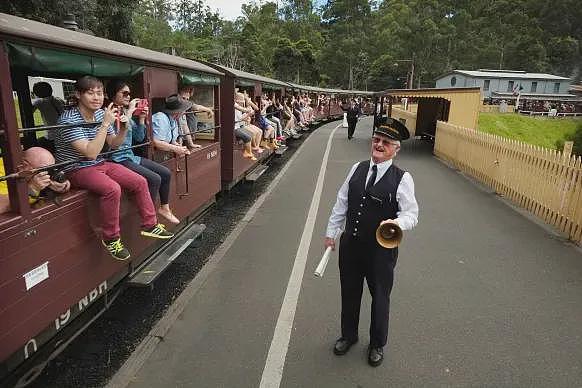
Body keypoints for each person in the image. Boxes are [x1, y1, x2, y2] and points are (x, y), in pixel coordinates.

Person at [324, 117, 419, 367]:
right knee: (350, 292)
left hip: (381, 251)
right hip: (351, 246)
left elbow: (412, 214)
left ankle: (377, 344)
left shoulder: (402, 178)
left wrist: (397, 224)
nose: (379, 145)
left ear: (395, 149)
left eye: (386, 142)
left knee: (380, 298)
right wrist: (331, 233)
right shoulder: (356, 168)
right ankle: (348, 336)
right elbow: (341, 202)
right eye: (376, 140)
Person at [55, 75, 174, 261]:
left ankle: (150, 225)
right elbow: (91, 153)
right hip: (76, 168)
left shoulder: (103, 113)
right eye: (90, 93)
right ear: (78, 95)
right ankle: (111, 239)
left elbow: (114, 144)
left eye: (99, 93)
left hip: (99, 163)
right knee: (112, 189)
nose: (96, 97)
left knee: (139, 181)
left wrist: (124, 128)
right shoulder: (68, 120)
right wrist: (105, 125)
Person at [106, 80, 179, 225]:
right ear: (112, 95)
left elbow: (139, 138)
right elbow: (112, 143)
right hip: (116, 158)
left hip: (129, 156)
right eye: (124, 93)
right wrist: (131, 112)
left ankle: (164, 208)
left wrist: (141, 119)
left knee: (165, 173)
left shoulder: (125, 113)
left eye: (129, 94)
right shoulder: (109, 114)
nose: (128, 97)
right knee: (154, 179)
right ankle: (149, 219)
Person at [0, 147, 71, 213]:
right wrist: (32, 188)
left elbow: (64, 183)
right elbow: (2, 205)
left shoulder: (35, 169)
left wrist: (62, 186)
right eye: (44, 170)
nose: (47, 174)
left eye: (51, 169)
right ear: (25, 165)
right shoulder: (4, 170)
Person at [177, 85, 214, 150]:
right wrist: (209, 110)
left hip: (185, 137)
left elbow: (185, 126)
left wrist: (191, 144)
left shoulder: (185, 106)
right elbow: (197, 107)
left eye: (187, 99)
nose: (185, 101)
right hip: (177, 140)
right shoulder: (177, 108)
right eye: (183, 98)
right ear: (177, 96)